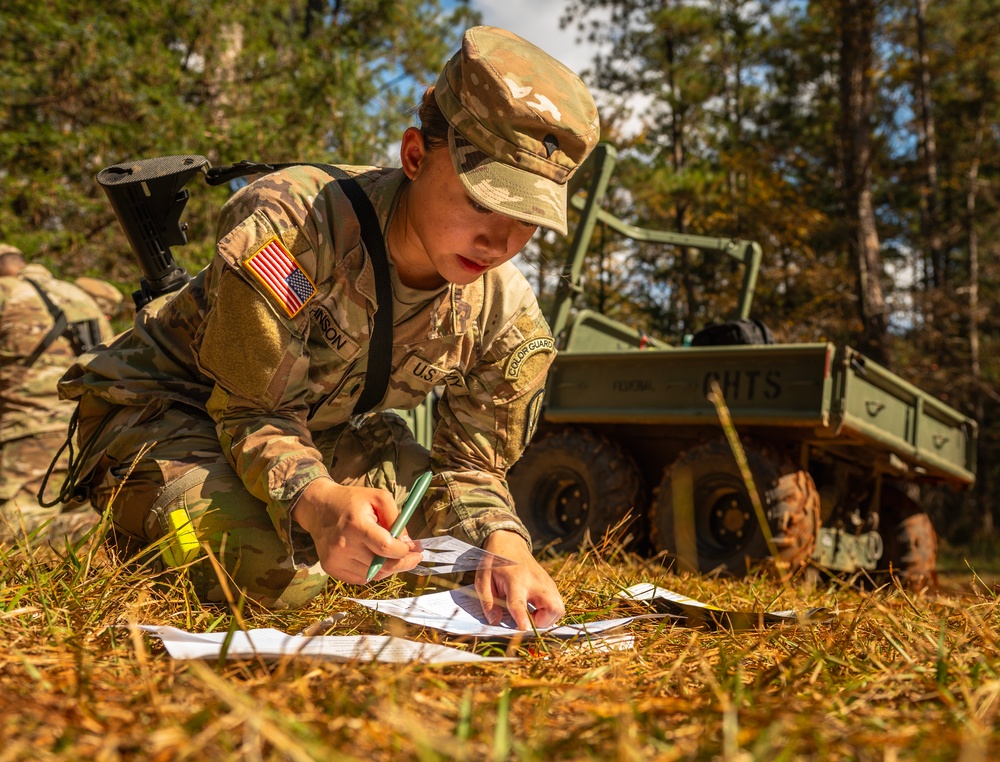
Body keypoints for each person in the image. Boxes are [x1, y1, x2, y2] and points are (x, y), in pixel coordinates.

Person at [57, 26, 600, 628]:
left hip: (313, 431)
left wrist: (506, 544)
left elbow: (471, 468)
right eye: (481, 200)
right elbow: (248, 411)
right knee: (275, 577)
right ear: (415, 155)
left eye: (526, 219)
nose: (500, 242)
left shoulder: (506, 316)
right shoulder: (291, 228)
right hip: (170, 414)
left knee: (466, 562)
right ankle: (130, 507)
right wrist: (317, 505)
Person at [0, 244, 114, 545]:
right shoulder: (81, 297)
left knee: (13, 535)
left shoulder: (6, 293)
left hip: (30, 436)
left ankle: (116, 536)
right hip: (91, 433)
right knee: (65, 516)